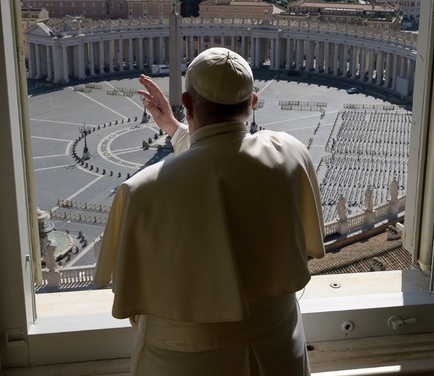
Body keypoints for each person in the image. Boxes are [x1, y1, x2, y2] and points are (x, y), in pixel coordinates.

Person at [93, 47, 325, 376]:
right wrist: (175, 128)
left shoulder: (140, 191)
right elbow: (227, 154)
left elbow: (208, 161)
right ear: (253, 102)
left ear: (187, 103)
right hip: (278, 351)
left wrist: (178, 126)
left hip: (182, 362)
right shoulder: (290, 153)